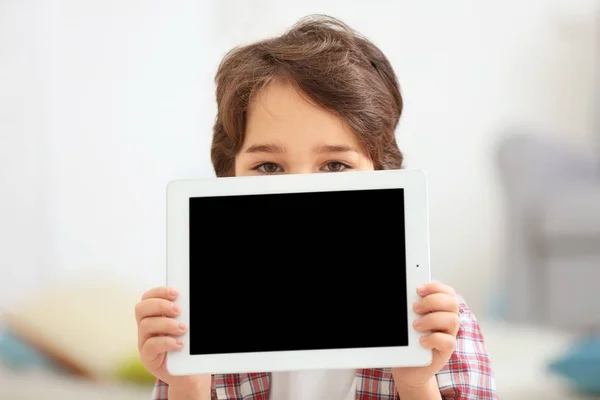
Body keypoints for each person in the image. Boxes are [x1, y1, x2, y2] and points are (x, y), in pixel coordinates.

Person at [135, 15, 497, 400]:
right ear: (229, 179)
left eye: (335, 165)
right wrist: (188, 385)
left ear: (382, 173)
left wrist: (416, 383)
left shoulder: (437, 323)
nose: (300, 194)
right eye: (269, 167)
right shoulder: (197, 326)